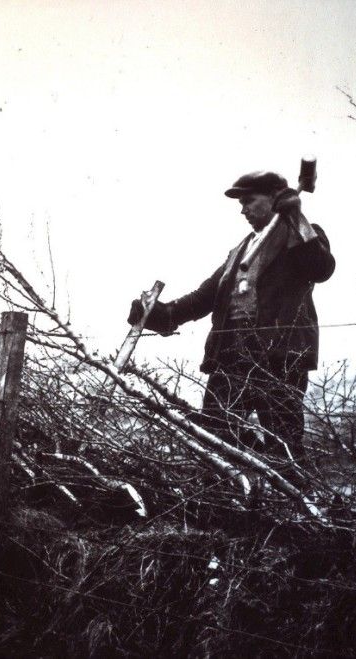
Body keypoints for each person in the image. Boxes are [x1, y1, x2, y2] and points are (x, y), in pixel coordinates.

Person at [128, 171, 335, 474]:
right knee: (215, 435)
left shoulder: (302, 235)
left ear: (275, 199)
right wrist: (160, 314)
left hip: (279, 358)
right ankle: (219, 513)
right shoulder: (242, 250)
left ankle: (295, 512)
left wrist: (295, 216)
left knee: (284, 444)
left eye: (249, 201)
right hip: (231, 355)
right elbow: (202, 298)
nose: (243, 210)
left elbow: (321, 267)